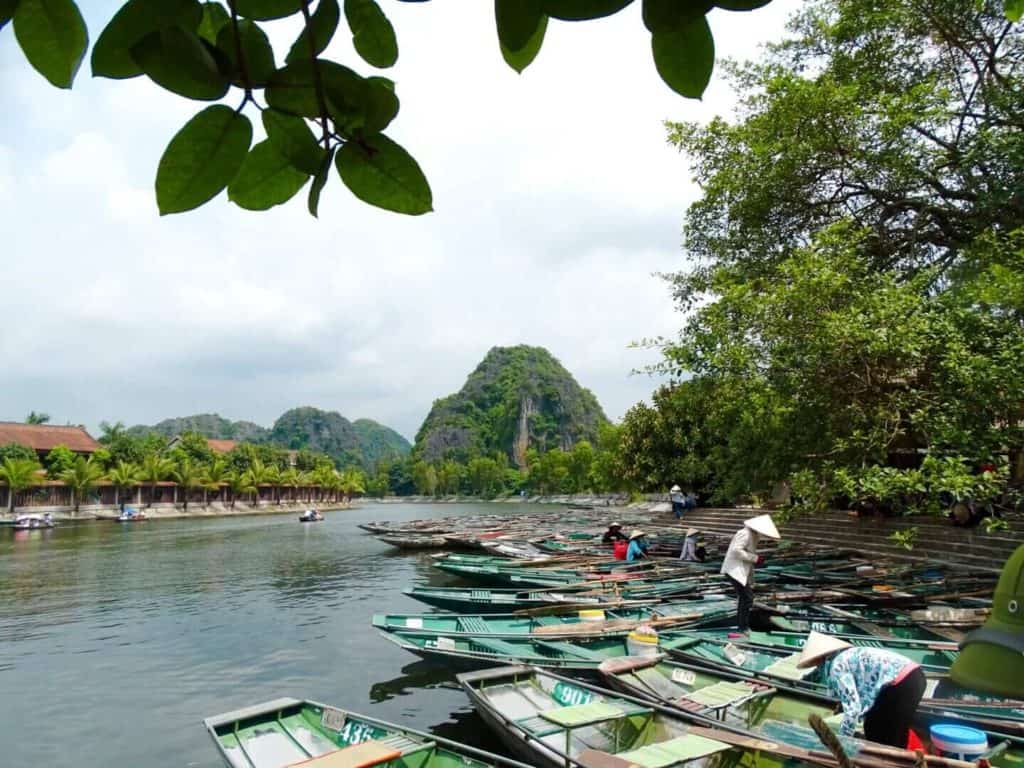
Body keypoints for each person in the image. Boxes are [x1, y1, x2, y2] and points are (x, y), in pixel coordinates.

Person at [796, 631, 925, 748]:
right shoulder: (846, 656)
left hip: (901, 683)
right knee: (896, 731)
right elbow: (817, 675)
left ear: (819, 658)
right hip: (916, 676)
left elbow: (853, 708)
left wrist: (841, 742)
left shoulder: (837, 666)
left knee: (876, 728)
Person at [720, 514, 780, 637]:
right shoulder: (745, 533)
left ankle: (742, 626)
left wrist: (754, 562)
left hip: (739, 570)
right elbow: (736, 551)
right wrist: (755, 558)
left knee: (745, 598)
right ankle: (743, 628)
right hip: (734, 570)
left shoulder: (753, 535)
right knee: (747, 598)